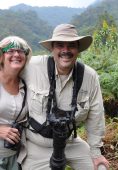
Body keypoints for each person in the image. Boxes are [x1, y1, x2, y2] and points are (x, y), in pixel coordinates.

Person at [20, 24, 110, 170]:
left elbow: (96, 116)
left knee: (100, 168)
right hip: (37, 145)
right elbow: (5, 73)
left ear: (78, 49)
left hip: (70, 143)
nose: (65, 51)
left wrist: (96, 152)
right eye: (60, 45)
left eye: (71, 46)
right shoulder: (32, 67)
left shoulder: (89, 77)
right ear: (52, 49)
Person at [0, 36, 31, 170]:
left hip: (17, 156)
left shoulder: (26, 84)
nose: (16, 54)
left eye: (21, 51)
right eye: (10, 51)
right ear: (2, 56)